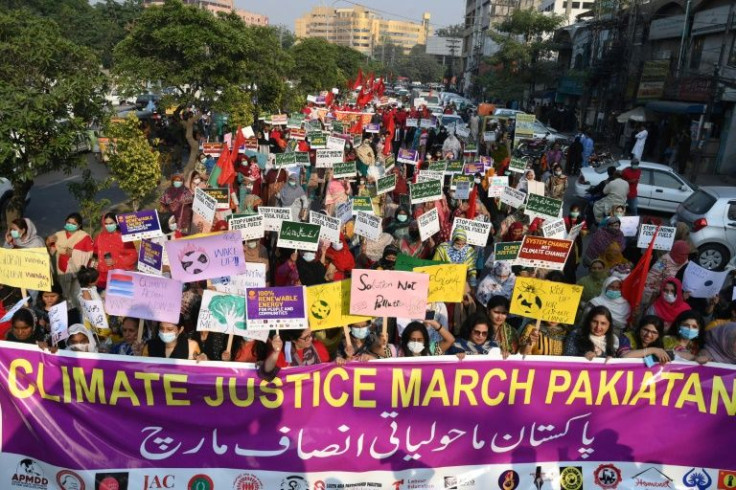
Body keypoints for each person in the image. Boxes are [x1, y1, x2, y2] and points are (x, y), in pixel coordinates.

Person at [49, 213, 94, 309]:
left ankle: (76, 314)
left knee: (75, 296)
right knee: (63, 295)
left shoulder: (84, 237)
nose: (70, 225)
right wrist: (49, 243)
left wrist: (74, 253)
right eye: (68, 222)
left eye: (73, 224)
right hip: (60, 271)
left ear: (79, 225)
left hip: (76, 272)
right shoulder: (58, 235)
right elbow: (51, 249)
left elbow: (90, 254)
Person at [93, 213, 137, 290]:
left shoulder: (124, 238)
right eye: (106, 223)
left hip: (119, 277)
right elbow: (94, 254)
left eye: (111, 223)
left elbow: (132, 256)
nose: (108, 226)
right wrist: (94, 263)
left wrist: (116, 261)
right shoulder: (99, 237)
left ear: (116, 223)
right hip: (102, 279)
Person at [642, 240, 690, 306]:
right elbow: (653, 275)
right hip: (662, 290)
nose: (683, 257)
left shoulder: (686, 263)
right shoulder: (664, 260)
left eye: (685, 254)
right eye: (681, 254)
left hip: (678, 292)